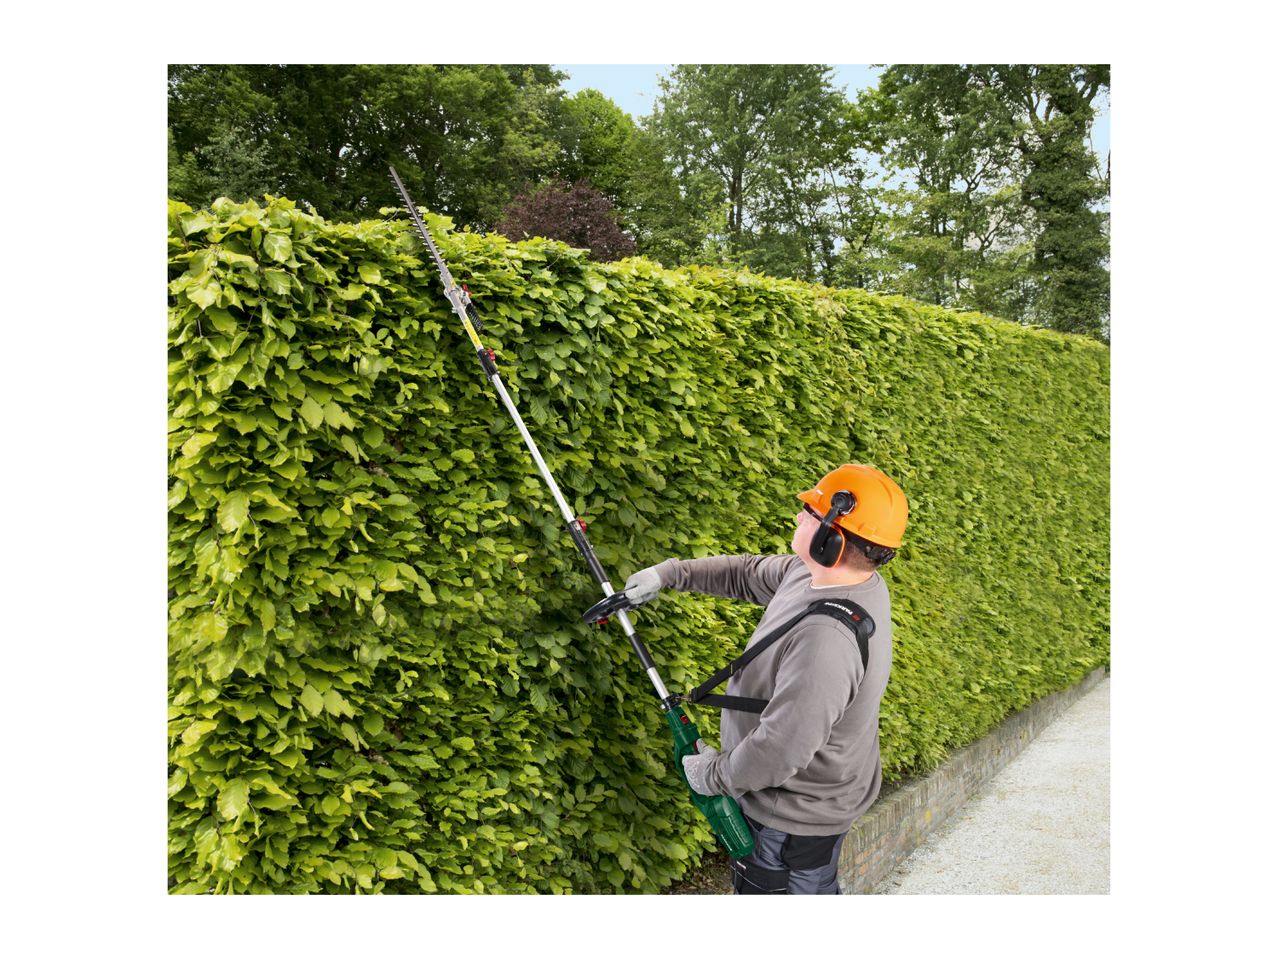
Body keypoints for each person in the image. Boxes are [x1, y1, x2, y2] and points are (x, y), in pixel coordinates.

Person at [621, 464, 907, 894]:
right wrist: (668, 574)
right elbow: (746, 572)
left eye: (810, 512)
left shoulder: (826, 640)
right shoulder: (817, 577)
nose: (798, 517)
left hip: (790, 823)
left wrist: (713, 775)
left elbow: (782, 749)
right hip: (793, 808)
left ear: (832, 537)